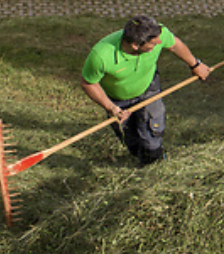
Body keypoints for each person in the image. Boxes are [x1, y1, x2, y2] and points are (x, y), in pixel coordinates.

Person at [80, 15, 211, 166]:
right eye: (153, 44)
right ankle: (138, 156)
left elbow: (174, 45)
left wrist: (195, 65)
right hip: (117, 100)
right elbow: (89, 83)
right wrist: (111, 107)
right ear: (136, 45)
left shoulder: (156, 33)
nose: (160, 43)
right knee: (130, 138)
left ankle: (154, 166)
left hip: (148, 88)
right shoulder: (101, 55)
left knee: (151, 134)